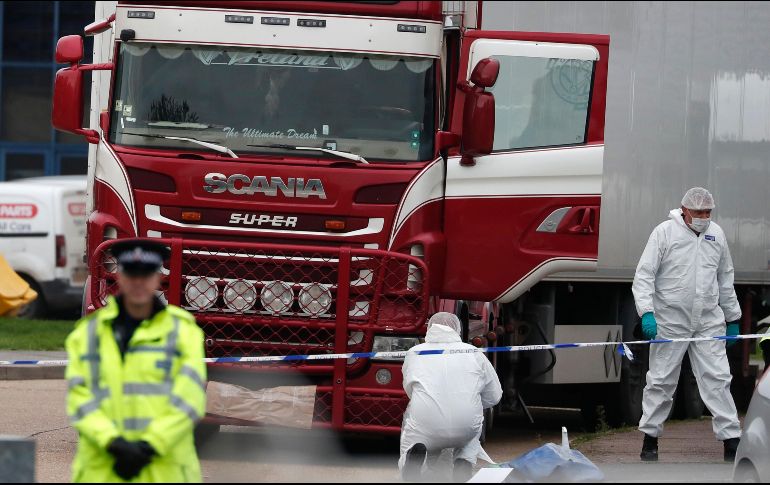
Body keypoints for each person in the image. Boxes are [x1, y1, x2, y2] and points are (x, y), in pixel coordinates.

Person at [65, 239, 207, 482]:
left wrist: (150, 446)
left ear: (157, 278)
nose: (139, 282)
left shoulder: (183, 332)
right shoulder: (88, 334)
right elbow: (81, 398)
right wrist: (112, 442)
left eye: (146, 274)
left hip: (163, 471)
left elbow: (189, 399)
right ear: (120, 276)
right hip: (105, 471)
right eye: (132, 273)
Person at [632, 187, 742, 463]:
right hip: (670, 320)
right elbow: (645, 274)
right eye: (699, 212)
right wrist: (647, 312)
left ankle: (731, 441)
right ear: (684, 211)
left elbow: (725, 277)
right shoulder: (665, 233)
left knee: (718, 379)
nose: (704, 216)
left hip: (707, 320)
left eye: (708, 212)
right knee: (660, 380)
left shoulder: (716, 235)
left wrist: (733, 318)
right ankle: (650, 440)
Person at [399, 312, 502, 482]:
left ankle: (415, 461)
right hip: (466, 424)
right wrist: (472, 401)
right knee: (470, 437)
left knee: (413, 438)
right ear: (457, 330)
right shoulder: (474, 353)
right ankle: (464, 461)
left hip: (426, 423)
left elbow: (411, 390)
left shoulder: (414, 353)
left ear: (429, 329)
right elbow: (495, 396)